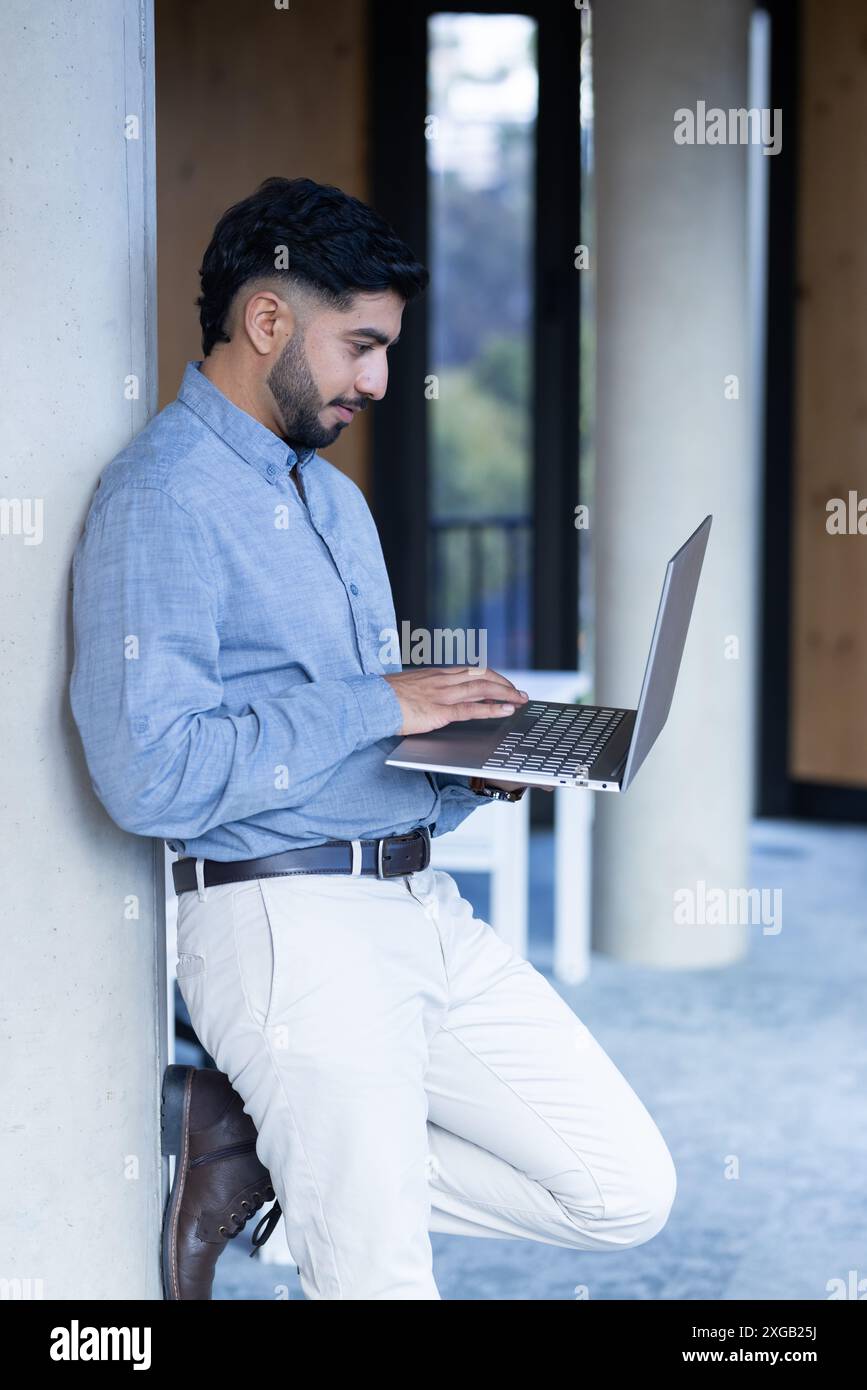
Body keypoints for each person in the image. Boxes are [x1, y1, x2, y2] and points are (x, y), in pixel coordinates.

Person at [70, 176, 676, 1301]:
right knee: (382, 1279)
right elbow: (149, 773)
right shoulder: (159, 501)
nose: (380, 380)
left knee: (623, 1185)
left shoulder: (332, 500)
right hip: (285, 922)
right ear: (267, 322)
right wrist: (384, 702)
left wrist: (471, 764)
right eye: (361, 346)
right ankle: (303, 1169)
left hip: (417, 901)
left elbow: (361, 736)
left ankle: (258, 1161)